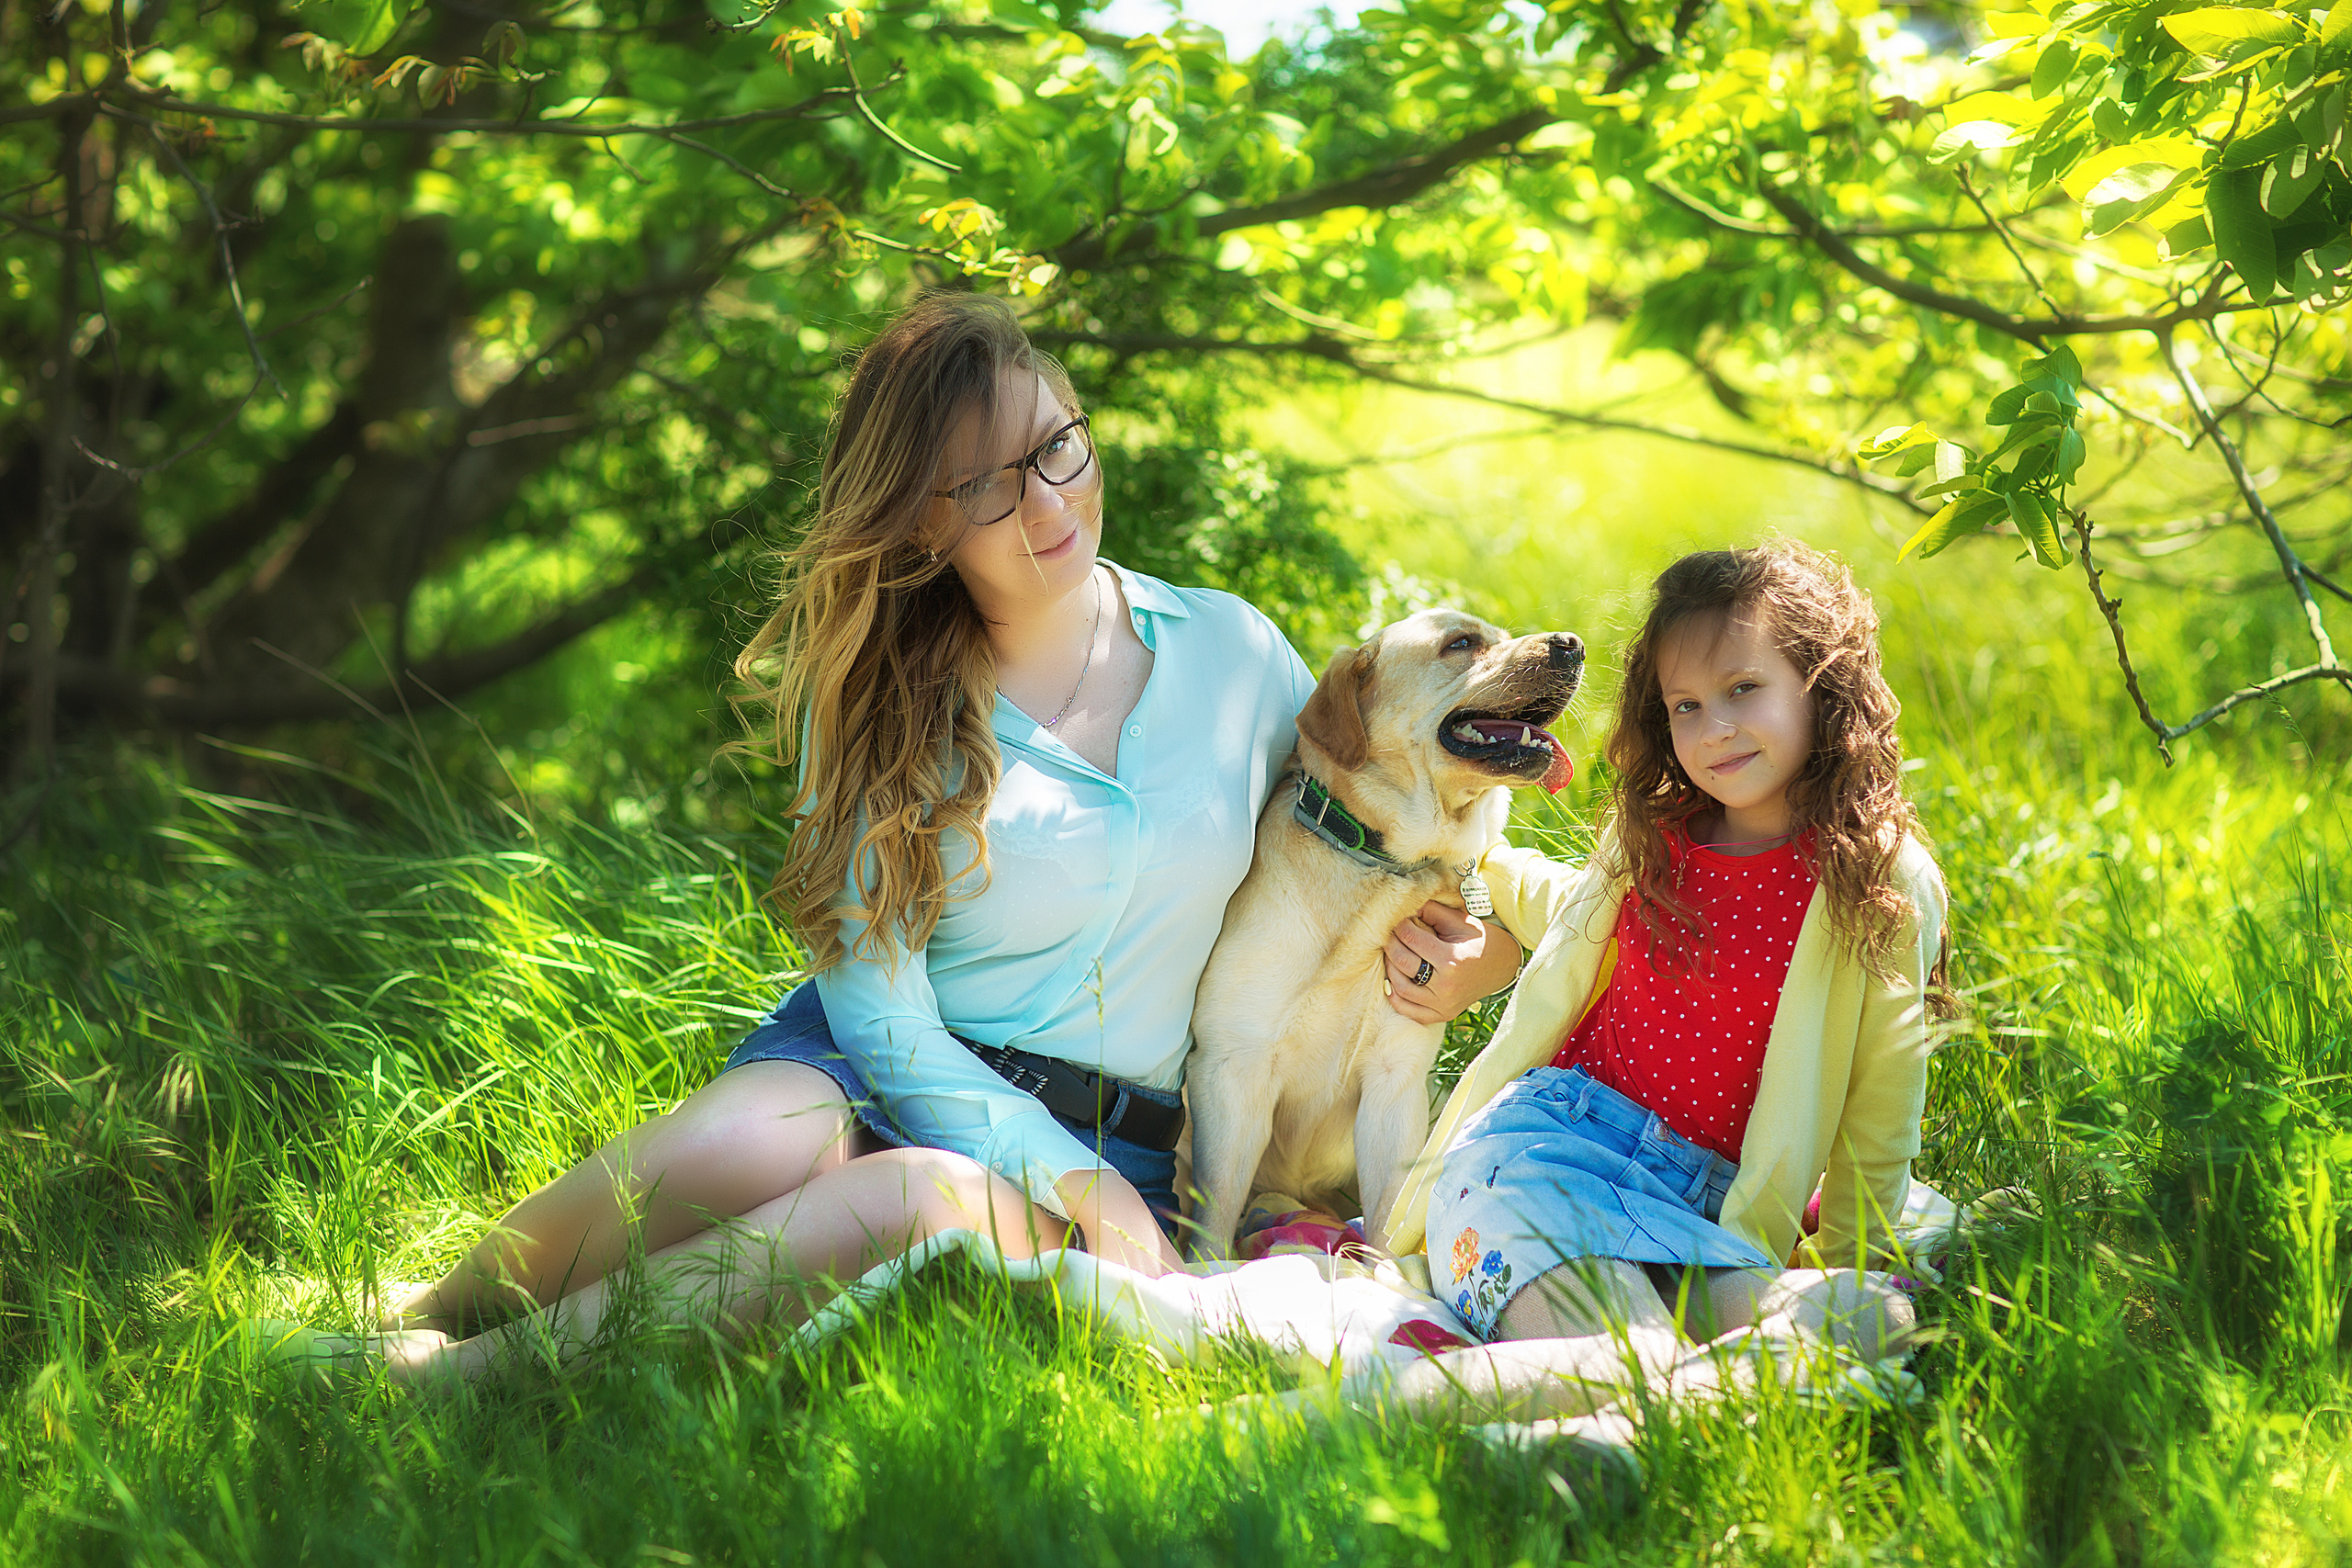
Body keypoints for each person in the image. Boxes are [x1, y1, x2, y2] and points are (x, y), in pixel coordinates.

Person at [363, 294, 1520, 1380]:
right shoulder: (879, 700)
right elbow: (880, 1016)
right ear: (921, 513)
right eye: (986, 486)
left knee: (914, 1200)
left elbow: (1377, 841)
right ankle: (412, 1325)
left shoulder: (1233, 654)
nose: (1048, 506)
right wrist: (1052, 1162)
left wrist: (1485, 956)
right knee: (749, 1151)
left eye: (1058, 448)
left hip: (1120, 1145)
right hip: (873, 1064)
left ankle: (469, 1382)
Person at [1347, 541, 1949, 1425]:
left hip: (1705, 1214)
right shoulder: (1656, 839)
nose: (1714, 730)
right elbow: (1557, 909)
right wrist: (1467, 872)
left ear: (1822, 685)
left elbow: (1880, 1107)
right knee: (1629, 1357)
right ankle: (1344, 1417)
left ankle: (1641, 1427)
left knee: (1872, 1313)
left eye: (1745, 689)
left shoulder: (1877, 881)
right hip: (1544, 1160)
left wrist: (1850, 1255)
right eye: (1686, 706)